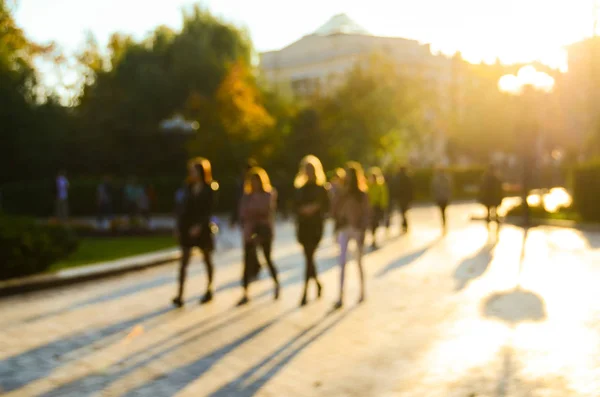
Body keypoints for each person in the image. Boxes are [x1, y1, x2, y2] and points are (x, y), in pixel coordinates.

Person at [172, 157, 218, 308]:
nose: (192, 173)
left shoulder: (209, 188)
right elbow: (182, 209)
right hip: (187, 227)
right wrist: (179, 227)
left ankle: (209, 288)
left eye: (194, 170)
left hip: (203, 229)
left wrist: (199, 225)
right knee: (184, 262)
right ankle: (180, 294)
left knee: (207, 259)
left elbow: (209, 211)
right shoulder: (188, 188)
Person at [238, 167, 280, 306]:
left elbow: (266, 211)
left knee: (267, 258)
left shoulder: (268, 194)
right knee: (247, 260)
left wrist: (253, 214)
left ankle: (276, 283)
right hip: (249, 231)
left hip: (263, 230)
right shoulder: (247, 196)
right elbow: (243, 212)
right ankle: (245, 291)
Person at [332, 162, 370, 309]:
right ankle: (340, 295)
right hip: (344, 228)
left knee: (359, 261)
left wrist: (363, 229)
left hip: (357, 228)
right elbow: (334, 210)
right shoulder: (342, 193)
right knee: (342, 262)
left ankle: (362, 291)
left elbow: (366, 213)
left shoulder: (361, 194)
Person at [294, 155, 330, 306]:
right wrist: (304, 210)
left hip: (315, 227)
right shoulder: (300, 189)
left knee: (309, 257)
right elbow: (294, 206)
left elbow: (327, 207)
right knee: (309, 258)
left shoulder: (322, 188)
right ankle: (317, 284)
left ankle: (305, 291)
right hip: (303, 226)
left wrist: (315, 209)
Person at [367, 167, 390, 249]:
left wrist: (383, 206)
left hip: (377, 207)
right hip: (370, 207)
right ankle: (373, 238)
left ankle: (374, 237)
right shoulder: (368, 186)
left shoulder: (380, 186)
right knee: (371, 223)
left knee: (375, 223)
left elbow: (383, 197)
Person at [230, 159, 257, 228]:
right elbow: (237, 202)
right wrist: (233, 219)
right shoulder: (241, 185)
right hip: (245, 219)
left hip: (257, 220)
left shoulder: (260, 188)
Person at [431, 167, 452, 232]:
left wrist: (434, 197)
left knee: (442, 211)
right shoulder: (447, 178)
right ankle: (444, 223)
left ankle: (443, 223)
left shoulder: (435, 179)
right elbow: (450, 188)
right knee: (444, 211)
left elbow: (433, 189)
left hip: (439, 198)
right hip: (445, 197)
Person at [329, 168, 346, 238]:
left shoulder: (343, 185)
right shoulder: (332, 185)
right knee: (336, 221)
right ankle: (336, 236)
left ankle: (340, 236)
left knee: (340, 222)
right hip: (335, 206)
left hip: (341, 207)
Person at [395, 166, 413, 233]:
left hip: (401, 198)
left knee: (403, 212)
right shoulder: (407, 177)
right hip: (406, 198)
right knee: (404, 212)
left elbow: (396, 188)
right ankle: (405, 224)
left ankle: (404, 224)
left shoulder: (398, 178)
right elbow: (411, 189)